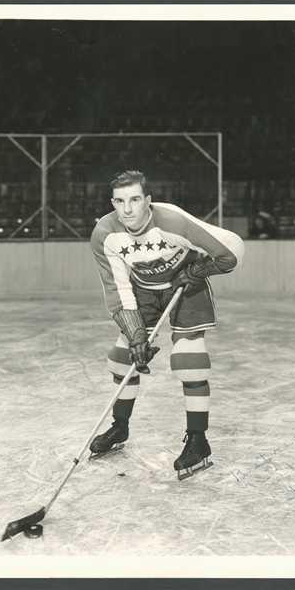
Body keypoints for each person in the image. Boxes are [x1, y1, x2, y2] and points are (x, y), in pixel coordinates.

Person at [89, 170, 245, 479]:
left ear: (148, 200)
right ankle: (119, 427)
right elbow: (118, 289)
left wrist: (198, 270)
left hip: (186, 287)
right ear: (112, 203)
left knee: (189, 362)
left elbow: (232, 250)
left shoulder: (173, 222)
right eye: (120, 201)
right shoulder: (105, 234)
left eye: (134, 200)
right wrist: (135, 336)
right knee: (122, 361)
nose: (128, 209)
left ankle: (198, 441)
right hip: (142, 290)